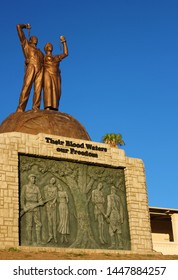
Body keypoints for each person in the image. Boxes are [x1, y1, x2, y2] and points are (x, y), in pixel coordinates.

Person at [16, 23, 44, 112]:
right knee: (27, 86)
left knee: (38, 89)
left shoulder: (41, 52)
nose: (35, 39)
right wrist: (25, 26)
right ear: (30, 40)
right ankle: (21, 108)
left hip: (40, 68)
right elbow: (18, 27)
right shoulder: (26, 45)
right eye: (33, 38)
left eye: (36, 39)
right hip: (31, 66)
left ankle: (36, 107)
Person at [43, 36, 68, 110]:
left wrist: (64, 42)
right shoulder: (43, 57)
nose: (50, 46)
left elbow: (66, 53)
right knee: (48, 89)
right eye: (48, 46)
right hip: (48, 73)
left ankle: (54, 107)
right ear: (46, 48)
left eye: (51, 45)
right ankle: (47, 106)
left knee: (57, 91)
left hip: (56, 75)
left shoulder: (56, 57)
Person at [21, 174, 43, 245]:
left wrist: (40, 202)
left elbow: (39, 197)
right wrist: (24, 207)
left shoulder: (37, 188)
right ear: (29, 178)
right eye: (33, 178)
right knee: (29, 224)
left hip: (36, 207)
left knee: (38, 223)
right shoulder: (25, 187)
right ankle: (29, 240)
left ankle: (38, 241)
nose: (34, 179)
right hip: (28, 206)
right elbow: (22, 198)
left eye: (35, 178)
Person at [44, 177, 58, 243]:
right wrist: (49, 203)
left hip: (54, 205)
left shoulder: (55, 188)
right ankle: (50, 236)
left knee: (54, 221)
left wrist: (53, 203)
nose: (52, 180)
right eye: (51, 179)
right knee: (50, 221)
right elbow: (46, 196)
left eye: (54, 180)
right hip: (48, 205)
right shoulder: (46, 187)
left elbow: (56, 196)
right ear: (50, 180)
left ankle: (55, 237)